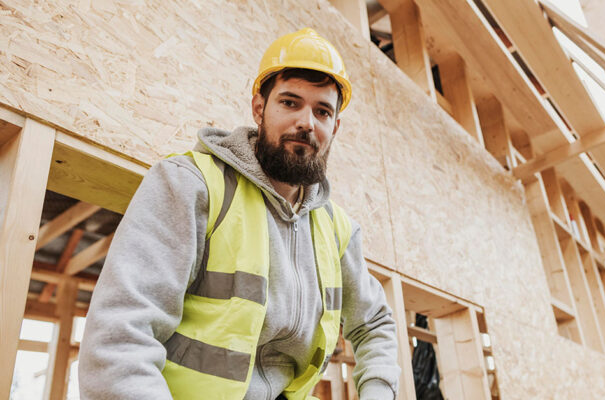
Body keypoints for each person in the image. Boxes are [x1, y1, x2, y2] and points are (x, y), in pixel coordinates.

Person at [79, 28, 400, 400]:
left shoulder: (337, 229)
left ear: (334, 127)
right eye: (290, 103)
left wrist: (379, 391)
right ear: (259, 109)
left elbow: (374, 323)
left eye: (322, 111)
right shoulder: (191, 185)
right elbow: (119, 337)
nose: (307, 122)